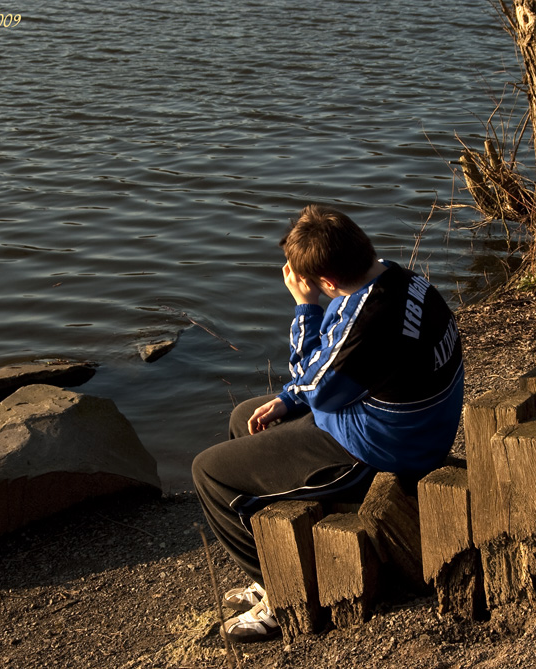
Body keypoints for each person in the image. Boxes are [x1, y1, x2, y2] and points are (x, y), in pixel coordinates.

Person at [192, 204, 464, 642]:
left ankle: (283, 596)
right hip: (412, 422)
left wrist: (305, 307)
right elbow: (326, 373)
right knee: (246, 417)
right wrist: (286, 401)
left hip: (385, 449)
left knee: (209, 473)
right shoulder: (397, 279)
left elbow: (312, 380)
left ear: (328, 282)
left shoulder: (367, 323)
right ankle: (280, 563)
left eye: (317, 286)